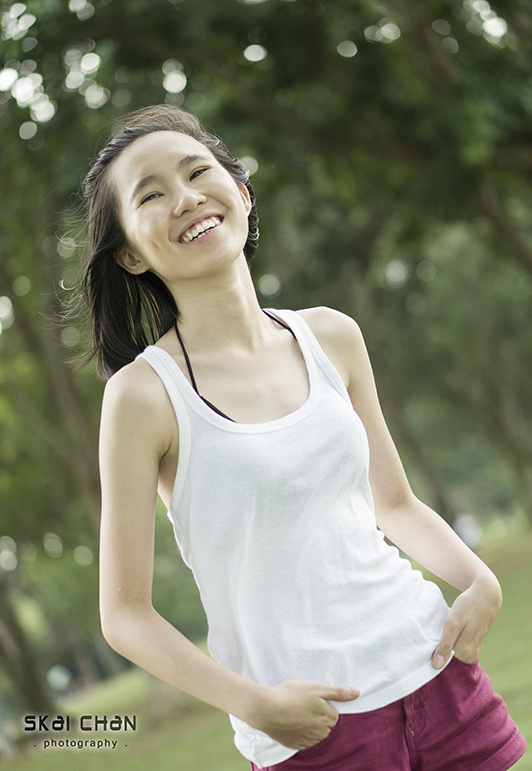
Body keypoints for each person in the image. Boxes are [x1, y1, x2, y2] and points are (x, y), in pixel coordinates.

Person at [83, 105, 526, 770]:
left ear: (241, 193)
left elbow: (394, 504)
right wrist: (253, 704)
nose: (186, 198)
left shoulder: (332, 336)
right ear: (130, 254)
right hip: (312, 730)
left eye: (198, 172)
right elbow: (125, 614)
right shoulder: (144, 396)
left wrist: (479, 579)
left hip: (437, 673)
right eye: (151, 194)